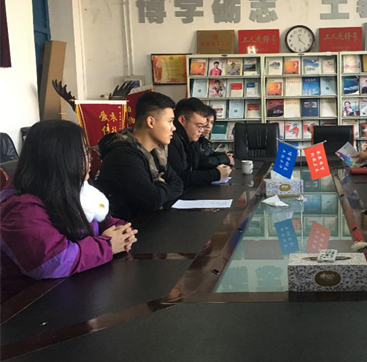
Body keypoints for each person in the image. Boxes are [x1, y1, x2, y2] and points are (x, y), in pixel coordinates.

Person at [0, 121, 137, 302]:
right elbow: (53, 261)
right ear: (60, 157)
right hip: (30, 305)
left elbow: (103, 220)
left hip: (76, 290)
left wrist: (122, 232)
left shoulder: (73, 189)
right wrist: (108, 245)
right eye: (83, 153)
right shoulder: (21, 209)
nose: (90, 159)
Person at [95, 92, 184, 220]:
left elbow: (178, 184)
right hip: (126, 226)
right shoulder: (123, 155)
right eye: (170, 121)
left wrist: (160, 191)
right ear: (151, 122)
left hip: (148, 223)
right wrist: (162, 187)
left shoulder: (156, 152)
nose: (173, 128)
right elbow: (152, 201)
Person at [169, 98, 231, 188]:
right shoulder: (171, 140)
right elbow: (180, 177)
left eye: (203, 126)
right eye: (199, 126)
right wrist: (216, 174)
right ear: (182, 120)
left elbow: (201, 163)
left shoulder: (192, 138)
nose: (201, 131)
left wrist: (219, 168)